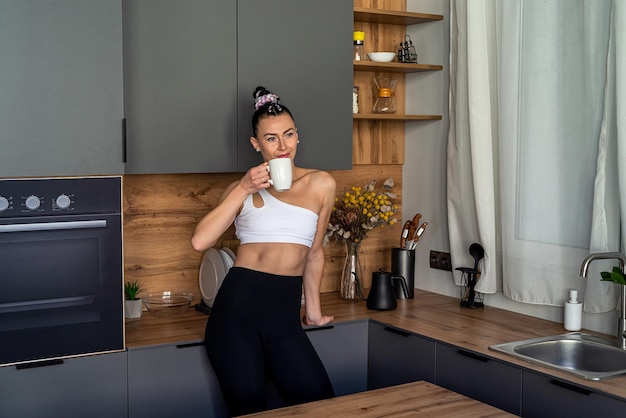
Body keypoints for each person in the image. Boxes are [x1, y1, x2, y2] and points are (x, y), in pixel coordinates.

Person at [191, 86, 336, 416]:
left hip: (283, 318)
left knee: (324, 406)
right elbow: (200, 241)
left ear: (298, 136)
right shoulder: (241, 189)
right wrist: (243, 187)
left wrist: (312, 311)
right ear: (256, 145)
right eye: (271, 139)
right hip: (236, 316)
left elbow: (314, 253)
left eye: (288, 134)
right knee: (252, 410)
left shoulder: (321, 184)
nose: (283, 146)